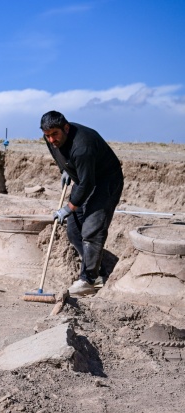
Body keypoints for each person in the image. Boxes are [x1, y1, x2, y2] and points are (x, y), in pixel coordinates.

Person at [41, 111, 124, 297]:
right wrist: (65, 170)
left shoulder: (82, 146)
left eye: (55, 134)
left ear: (66, 128)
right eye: (47, 135)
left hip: (105, 181)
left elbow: (88, 184)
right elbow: (59, 155)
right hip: (84, 179)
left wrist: (68, 208)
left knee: (92, 229)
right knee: (74, 230)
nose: (51, 140)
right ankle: (99, 272)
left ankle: (88, 280)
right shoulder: (50, 139)